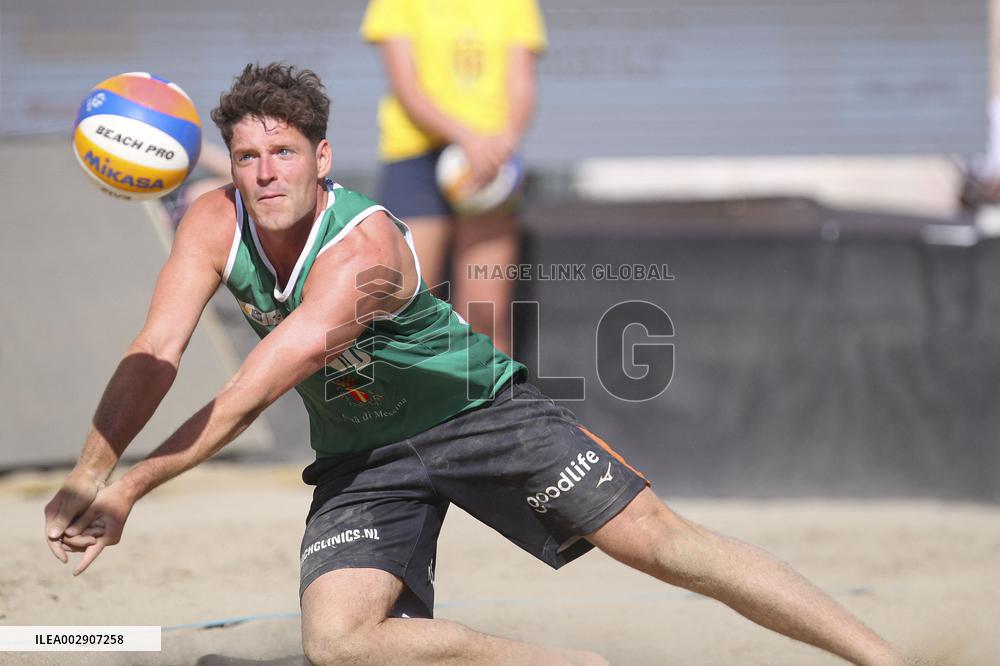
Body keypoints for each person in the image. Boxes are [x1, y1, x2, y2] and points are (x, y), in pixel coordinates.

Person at [44, 63, 904, 665]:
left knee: (662, 543)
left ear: (323, 159)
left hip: (477, 414)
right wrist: (91, 473)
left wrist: (132, 486)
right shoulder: (210, 222)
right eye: (247, 157)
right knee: (339, 642)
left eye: (285, 154)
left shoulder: (363, 246)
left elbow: (247, 392)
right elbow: (156, 352)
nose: (266, 174)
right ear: (227, 164)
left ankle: (881, 659)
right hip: (363, 457)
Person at [359, 0, 546, 355]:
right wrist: (466, 138)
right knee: (409, 310)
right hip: (416, 159)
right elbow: (407, 86)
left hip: (492, 166)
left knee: (486, 315)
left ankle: (495, 409)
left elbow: (522, 85)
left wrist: (500, 145)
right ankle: (421, 408)